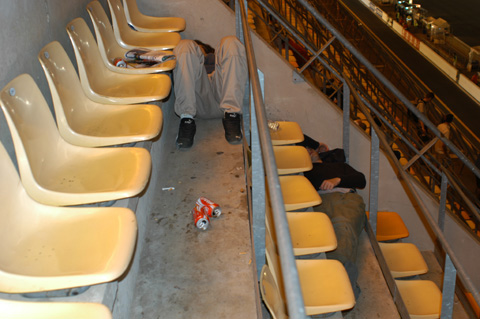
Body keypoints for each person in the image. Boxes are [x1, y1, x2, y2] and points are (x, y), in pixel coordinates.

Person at [298, 135, 366, 299]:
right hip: (317, 202)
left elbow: (361, 179)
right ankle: (333, 285)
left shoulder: (339, 166)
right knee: (320, 239)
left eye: (311, 149)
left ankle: (340, 289)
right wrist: (315, 145)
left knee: (343, 228)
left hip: (345, 198)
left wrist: (338, 180)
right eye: (305, 150)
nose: (309, 151)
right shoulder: (303, 173)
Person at [172, 36, 248, 149]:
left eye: (199, 47)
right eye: (196, 48)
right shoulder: (191, 56)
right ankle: (186, 120)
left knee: (230, 42)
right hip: (198, 100)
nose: (198, 49)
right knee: (184, 44)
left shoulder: (217, 57)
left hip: (224, 94)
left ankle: (232, 115)